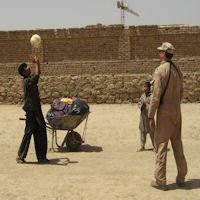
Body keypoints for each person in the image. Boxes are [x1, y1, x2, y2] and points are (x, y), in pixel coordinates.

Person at [148, 42, 187, 190]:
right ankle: (182, 176)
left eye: (160, 52)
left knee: (161, 145)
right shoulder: (178, 70)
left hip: (164, 113)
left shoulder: (160, 70)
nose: (159, 54)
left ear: (164, 54)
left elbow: (156, 95)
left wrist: (151, 116)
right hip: (176, 110)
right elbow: (181, 92)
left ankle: (160, 180)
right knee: (177, 143)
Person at [16, 55, 49, 163]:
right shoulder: (27, 81)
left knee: (41, 130)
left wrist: (37, 65)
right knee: (29, 131)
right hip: (31, 110)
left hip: (36, 109)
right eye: (26, 67)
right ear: (23, 72)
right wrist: (37, 63)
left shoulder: (29, 79)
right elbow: (36, 77)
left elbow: (36, 75)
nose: (28, 68)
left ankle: (41, 157)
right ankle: (20, 156)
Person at [137, 82, 154, 152]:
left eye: (145, 87)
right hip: (143, 117)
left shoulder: (152, 96)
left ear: (149, 88)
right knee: (142, 131)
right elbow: (139, 103)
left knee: (152, 132)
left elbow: (153, 106)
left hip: (149, 117)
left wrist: (146, 106)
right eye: (143, 87)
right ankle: (142, 146)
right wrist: (141, 106)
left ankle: (155, 146)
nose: (144, 88)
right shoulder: (142, 96)